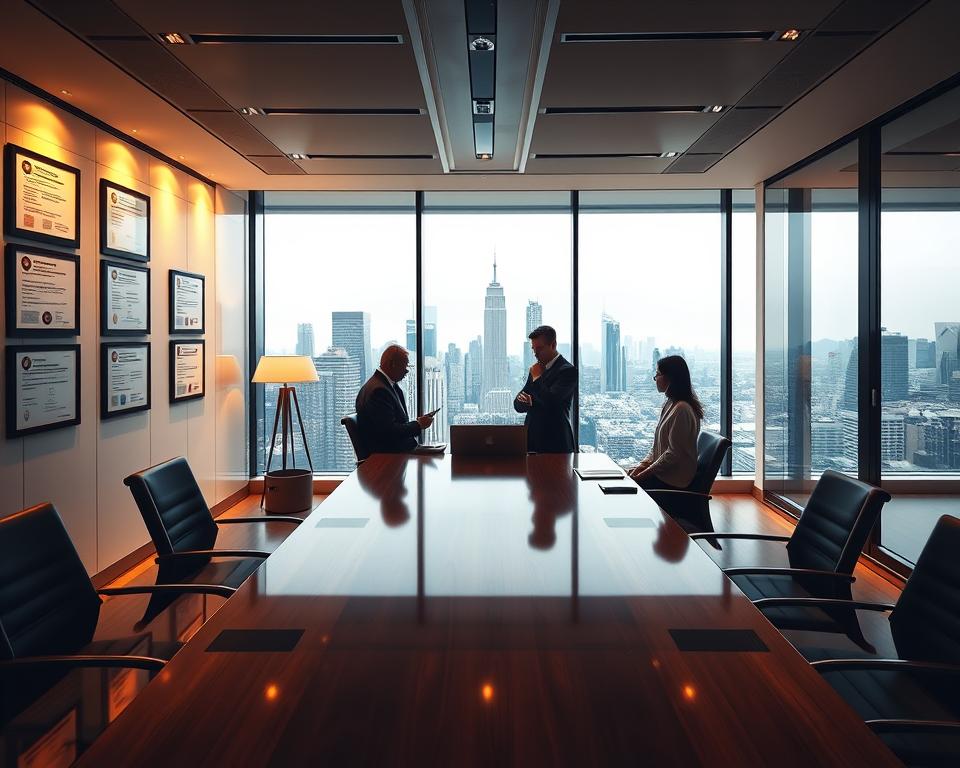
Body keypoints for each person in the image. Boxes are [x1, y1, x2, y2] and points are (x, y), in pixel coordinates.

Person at [629, 355, 703, 490]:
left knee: (626, 488)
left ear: (669, 377)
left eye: (657, 374)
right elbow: (657, 448)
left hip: (672, 480)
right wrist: (641, 466)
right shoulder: (670, 404)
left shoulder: (682, 409)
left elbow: (673, 454)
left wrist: (645, 474)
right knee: (627, 475)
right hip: (663, 473)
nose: (655, 379)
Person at [356, 345, 434, 454]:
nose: (407, 371)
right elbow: (390, 432)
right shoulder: (379, 391)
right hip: (389, 457)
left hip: (396, 452)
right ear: (393, 364)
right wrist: (419, 425)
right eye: (405, 366)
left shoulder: (383, 385)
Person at [513, 325, 577, 453]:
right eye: (533, 349)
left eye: (540, 348)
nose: (535, 353)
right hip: (532, 442)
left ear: (553, 345)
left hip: (556, 443)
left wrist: (536, 378)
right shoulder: (536, 369)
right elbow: (518, 405)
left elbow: (551, 401)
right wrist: (525, 402)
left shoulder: (567, 370)